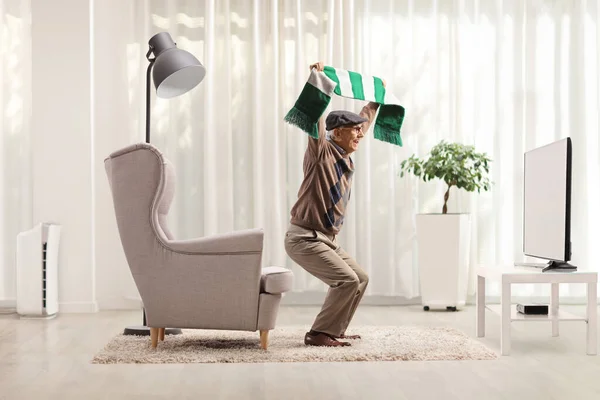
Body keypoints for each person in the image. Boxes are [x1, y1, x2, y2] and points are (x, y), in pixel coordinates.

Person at [284, 61, 383, 347]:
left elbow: (365, 117)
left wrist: (376, 99)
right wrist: (317, 80)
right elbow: (315, 119)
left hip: (326, 239)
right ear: (336, 132)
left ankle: (334, 329)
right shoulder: (321, 151)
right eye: (353, 130)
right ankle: (318, 334)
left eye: (359, 130)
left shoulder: (346, 154)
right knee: (347, 281)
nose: (360, 134)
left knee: (360, 279)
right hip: (304, 238)